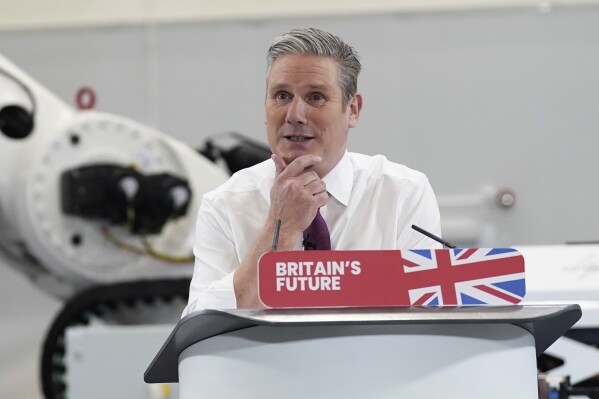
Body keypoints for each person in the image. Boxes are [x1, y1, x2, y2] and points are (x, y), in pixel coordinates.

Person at [183, 27, 441, 315]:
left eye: (316, 97)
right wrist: (280, 227)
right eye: (281, 96)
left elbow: (426, 318)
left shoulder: (402, 192)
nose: (294, 115)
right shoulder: (225, 204)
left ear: (352, 109)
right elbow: (201, 325)